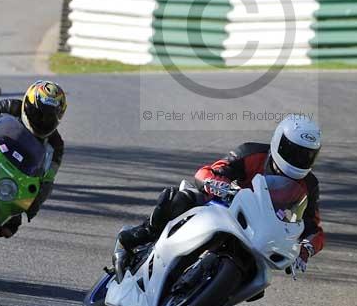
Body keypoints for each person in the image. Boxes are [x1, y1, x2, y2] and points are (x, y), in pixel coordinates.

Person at [119, 114, 325, 274]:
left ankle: (207, 297)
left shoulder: (309, 185)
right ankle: (142, 234)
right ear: (278, 142)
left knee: (260, 279)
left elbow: (314, 228)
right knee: (183, 198)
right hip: (223, 210)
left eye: (307, 155)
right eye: (294, 152)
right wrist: (220, 185)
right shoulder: (252, 153)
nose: (299, 160)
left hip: (259, 235)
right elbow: (208, 171)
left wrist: (305, 249)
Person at [0, 80, 67, 238]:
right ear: (27, 105)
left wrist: (36, 202)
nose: (42, 121)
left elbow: (49, 177)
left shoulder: (56, 145)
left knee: (11, 224)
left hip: (12, 179)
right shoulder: (9, 106)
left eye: (48, 118)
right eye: (38, 114)